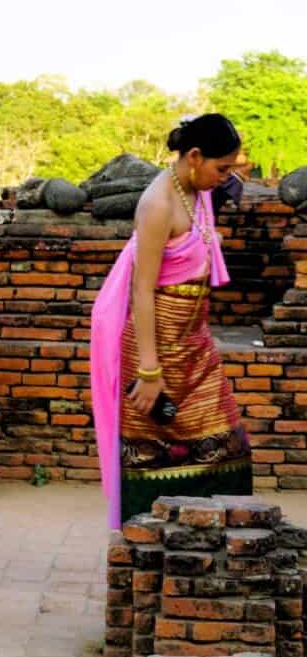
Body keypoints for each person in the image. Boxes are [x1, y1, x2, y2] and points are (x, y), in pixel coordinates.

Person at [91, 114, 252, 529]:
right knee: (151, 456)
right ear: (194, 157)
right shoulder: (158, 203)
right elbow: (141, 290)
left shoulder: (197, 192)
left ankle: (213, 548)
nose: (226, 178)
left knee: (228, 446)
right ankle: (146, 549)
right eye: (222, 169)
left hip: (195, 345)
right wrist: (149, 371)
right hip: (155, 349)